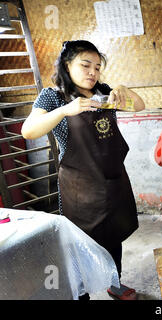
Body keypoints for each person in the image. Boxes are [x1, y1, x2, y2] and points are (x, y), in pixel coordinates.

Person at [21, 40, 145, 300]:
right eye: (85, 65)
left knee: (114, 236)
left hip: (113, 180)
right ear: (67, 65)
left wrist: (125, 90)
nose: (93, 72)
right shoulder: (53, 96)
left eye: (97, 67)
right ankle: (80, 293)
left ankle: (115, 283)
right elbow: (28, 130)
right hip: (79, 186)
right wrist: (66, 110)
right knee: (77, 244)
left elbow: (140, 106)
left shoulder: (104, 92)